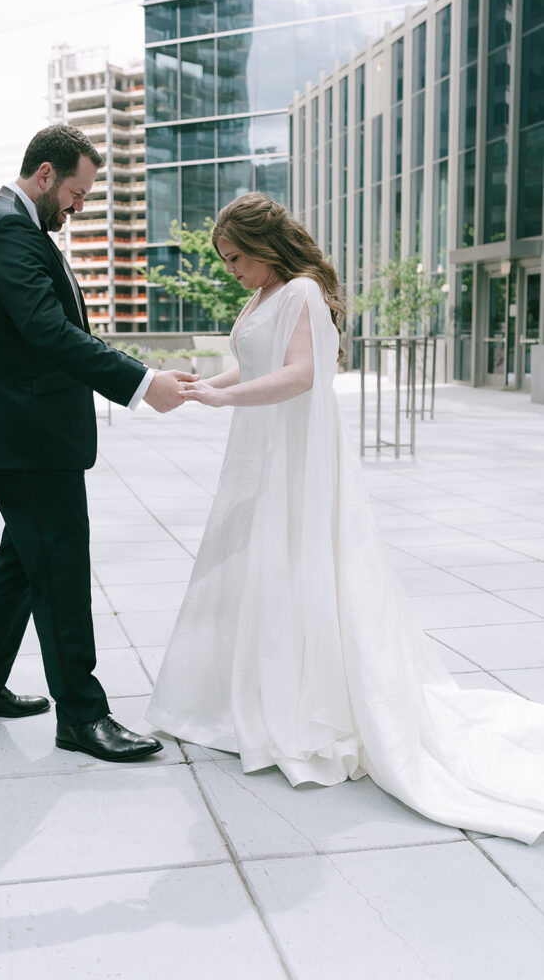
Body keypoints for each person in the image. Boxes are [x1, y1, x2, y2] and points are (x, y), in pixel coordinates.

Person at [146, 191, 544, 844]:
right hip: (261, 445)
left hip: (294, 449)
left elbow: (302, 375)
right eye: (224, 261)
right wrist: (203, 384)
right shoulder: (263, 295)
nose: (232, 271)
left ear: (265, 246)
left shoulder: (301, 291)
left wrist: (225, 399)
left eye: (236, 257)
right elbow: (252, 362)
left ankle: (303, 702)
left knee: (295, 560)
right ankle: (251, 695)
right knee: (257, 561)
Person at [0, 124, 196, 763]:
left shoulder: (21, 227)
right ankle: (82, 716)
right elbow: (48, 331)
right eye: (78, 192)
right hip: (24, 435)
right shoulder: (6, 227)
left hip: (27, 432)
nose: (80, 206)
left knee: (24, 560)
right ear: (47, 174)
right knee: (57, 564)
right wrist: (141, 382)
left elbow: (52, 330)